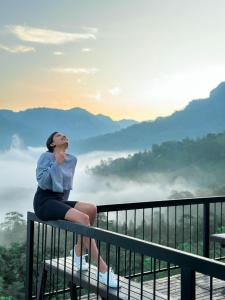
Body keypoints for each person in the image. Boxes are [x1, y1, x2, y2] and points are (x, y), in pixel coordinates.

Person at [33, 131, 118, 288]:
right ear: (52, 144)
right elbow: (43, 183)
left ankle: (78, 252)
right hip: (44, 201)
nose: (64, 136)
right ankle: (103, 270)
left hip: (59, 200)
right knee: (83, 218)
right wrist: (56, 163)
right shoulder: (45, 156)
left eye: (65, 135)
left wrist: (64, 208)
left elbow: (66, 187)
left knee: (91, 209)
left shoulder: (72, 159)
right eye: (59, 136)